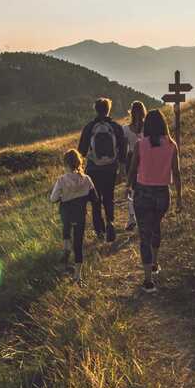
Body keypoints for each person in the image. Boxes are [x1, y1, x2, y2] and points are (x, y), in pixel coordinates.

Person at [127, 109, 182, 293]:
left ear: (147, 126)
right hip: (162, 194)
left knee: (145, 234)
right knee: (156, 226)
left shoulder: (141, 145)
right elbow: (177, 173)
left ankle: (148, 281)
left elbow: (133, 169)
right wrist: (180, 198)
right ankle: (155, 262)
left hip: (143, 193)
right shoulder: (172, 145)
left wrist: (128, 186)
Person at [78, 97, 127, 242]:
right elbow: (123, 148)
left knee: (95, 200)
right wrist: (122, 168)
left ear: (96, 109)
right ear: (108, 109)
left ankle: (99, 231)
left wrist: (80, 171)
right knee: (109, 197)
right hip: (111, 168)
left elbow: (81, 151)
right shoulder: (116, 127)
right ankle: (110, 223)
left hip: (93, 169)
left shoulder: (89, 127)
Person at [50, 149, 97, 283]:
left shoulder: (61, 180)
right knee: (78, 244)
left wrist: (63, 196)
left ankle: (66, 247)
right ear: (79, 162)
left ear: (66, 164)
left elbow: (53, 199)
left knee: (66, 229)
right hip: (80, 214)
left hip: (67, 213)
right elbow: (94, 198)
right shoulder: (87, 179)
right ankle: (77, 275)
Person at [124, 101, 146, 231]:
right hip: (145, 159)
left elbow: (124, 149)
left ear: (131, 112)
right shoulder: (148, 128)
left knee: (131, 188)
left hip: (130, 159)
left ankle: (132, 217)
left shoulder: (126, 130)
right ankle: (142, 215)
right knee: (143, 187)